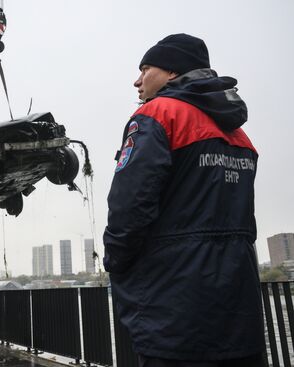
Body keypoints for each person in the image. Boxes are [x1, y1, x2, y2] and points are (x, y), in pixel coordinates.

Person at [104, 33, 264, 366]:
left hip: (175, 310)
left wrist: (116, 266)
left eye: (145, 69)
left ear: (173, 73)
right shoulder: (239, 134)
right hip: (239, 309)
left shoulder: (158, 115)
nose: (137, 80)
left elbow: (129, 208)